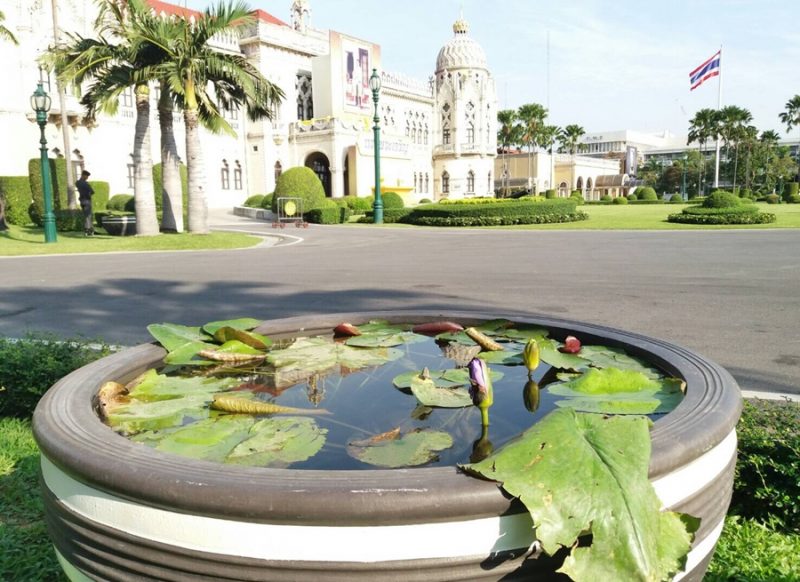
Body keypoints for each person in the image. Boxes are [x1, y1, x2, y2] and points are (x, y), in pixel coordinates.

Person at [76, 170, 95, 236]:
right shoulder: (86, 184)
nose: (87, 178)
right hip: (87, 201)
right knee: (88, 216)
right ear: (84, 175)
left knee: (86, 215)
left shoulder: (78, 183)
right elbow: (92, 192)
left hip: (82, 201)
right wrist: (88, 193)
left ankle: (89, 229)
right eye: (87, 176)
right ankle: (88, 230)